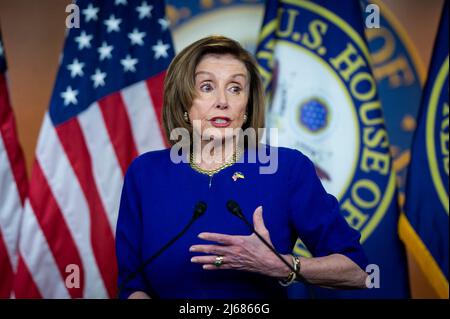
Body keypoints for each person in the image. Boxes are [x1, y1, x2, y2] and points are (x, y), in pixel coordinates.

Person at [115, 35, 368, 299]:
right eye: (207, 86)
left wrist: (283, 266)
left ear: (246, 106)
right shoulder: (145, 173)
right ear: (184, 101)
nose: (222, 100)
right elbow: (132, 285)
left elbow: (359, 272)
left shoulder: (287, 169)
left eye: (235, 88)